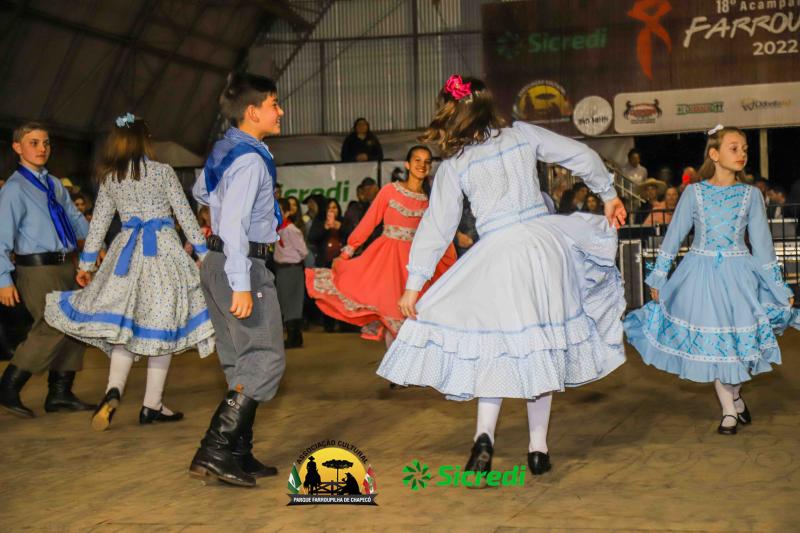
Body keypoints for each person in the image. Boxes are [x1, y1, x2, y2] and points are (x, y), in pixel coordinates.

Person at [376, 75, 627, 479]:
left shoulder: (456, 165)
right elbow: (579, 154)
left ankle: (484, 437)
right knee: (540, 343)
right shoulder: (522, 135)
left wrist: (414, 284)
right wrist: (609, 194)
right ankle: (538, 449)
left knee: (496, 344)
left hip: (498, 254)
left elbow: (437, 227)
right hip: (544, 248)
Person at [43, 114, 214, 430]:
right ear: (144, 140)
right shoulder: (163, 172)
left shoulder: (111, 178)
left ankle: (114, 390)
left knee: (126, 327)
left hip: (125, 254)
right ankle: (151, 405)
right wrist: (204, 254)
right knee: (161, 330)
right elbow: (186, 217)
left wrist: (86, 265)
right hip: (163, 252)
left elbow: (98, 226)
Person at [624, 125, 797, 435]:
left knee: (740, 345)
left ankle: (736, 396)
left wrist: (778, 286)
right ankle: (728, 410)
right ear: (714, 154)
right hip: (700, 275)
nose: (742, 154)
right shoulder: (695, 193)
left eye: (744, 149)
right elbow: (674, 235)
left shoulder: (751, 195)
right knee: (719, 347)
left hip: (740, 275)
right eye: (734, 148)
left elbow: (762, 245)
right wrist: (659, 276)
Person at [190, 73, 286, 487]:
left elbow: (200, 191)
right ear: (253, 111)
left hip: (216, 261)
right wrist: (242, 282)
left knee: (240, 362)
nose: (280, 111)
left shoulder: (227, 148)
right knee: (265, 357)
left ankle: (237, 452)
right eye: (274, 104)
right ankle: (214, 449)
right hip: (241, 264)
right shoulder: (250, 160)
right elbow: (233, 224)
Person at [306, 145, 457, 345]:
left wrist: (451, 264)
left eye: (426, 162)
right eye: (417, 160)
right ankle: (395, 364)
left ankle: (405, 363)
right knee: (391, 314)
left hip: (415, 264)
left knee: (414, 320)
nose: (422, 165)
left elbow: (439, 234)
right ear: (407, 164)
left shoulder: (431, 200)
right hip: (388, 262)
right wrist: (347, 252)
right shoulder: (390, 191)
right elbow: (369, 222)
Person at [0, 122, 94, 418]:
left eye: (46, 143)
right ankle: (8, 387)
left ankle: (60, 393)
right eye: (34, 142)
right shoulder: (14, 189)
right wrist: (3, 279)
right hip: (37, 269)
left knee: (75, 324)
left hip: (66, 264)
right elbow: (1, 237)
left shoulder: (53, 183)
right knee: (51, 324)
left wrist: (96, 247)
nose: (42, 148)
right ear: (17, 147)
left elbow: (75, 219)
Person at [274, 198, 308, 349]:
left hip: (291, 269)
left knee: (292, 302)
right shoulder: (277, 229)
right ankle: (293, 336)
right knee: (284, 301)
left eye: (279, 210)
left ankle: (294, 337)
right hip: (282, 269)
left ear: (287, 212)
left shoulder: (291, 230)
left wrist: (293, 259)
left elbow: (303, 251)